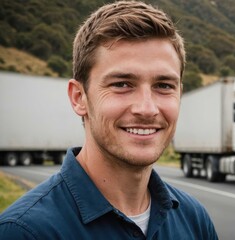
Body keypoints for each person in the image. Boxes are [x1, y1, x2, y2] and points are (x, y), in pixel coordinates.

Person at [0, 1, 218, 239]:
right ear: (79, 97)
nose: (147, 109)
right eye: (122, 84)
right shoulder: (24, 232)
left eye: (164, 86)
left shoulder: (195, 221)